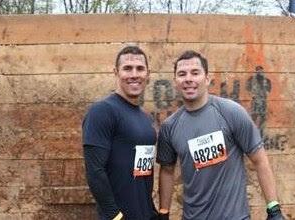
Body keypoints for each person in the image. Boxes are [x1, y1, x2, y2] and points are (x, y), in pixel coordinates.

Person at [156, 50, 284, 220]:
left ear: (207, 78)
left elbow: (259, 160)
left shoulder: (231, 112)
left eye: (195, 73)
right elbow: (167, 170)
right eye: (182, 74)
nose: (188, 79)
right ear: (175, 82)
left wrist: (273, 209)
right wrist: (163, 212)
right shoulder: (169, 127)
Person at [82, 45, 158, 220]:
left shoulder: (145, 118)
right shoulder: (102, 111)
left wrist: (152, 210)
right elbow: (95, 170)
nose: (134, 74)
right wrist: (115, 215)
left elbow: (142, 172)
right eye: (127, 68)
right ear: (116, 72)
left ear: (148, 74)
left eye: (140, 69)